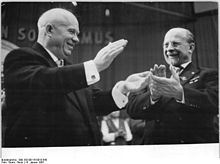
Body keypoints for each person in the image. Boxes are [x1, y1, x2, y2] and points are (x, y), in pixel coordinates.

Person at [3, 8, 151, 147]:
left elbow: (91, 101)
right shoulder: (20, 58)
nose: (76, 39)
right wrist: (95, 66)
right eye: (71, 32)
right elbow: (46, 81)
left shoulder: (67, 68)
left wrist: (123, 87)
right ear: (49, 30)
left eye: (77, 34)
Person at [127, 27, 218, 144]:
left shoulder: (208, 74)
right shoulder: (154, 76)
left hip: (191, 148)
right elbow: (131, 110)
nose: (169, 49)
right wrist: (153, 97)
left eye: (175, 44)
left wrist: (181, 93)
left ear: (190, 47)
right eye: (166, 45)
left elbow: (216, 102)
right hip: (155, 149)